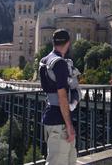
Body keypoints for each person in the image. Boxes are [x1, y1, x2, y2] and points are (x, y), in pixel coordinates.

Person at [39, 29, 77, 165]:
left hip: (49, 117)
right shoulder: (60, 63)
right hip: (60, 122)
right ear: (68, 43)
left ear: (53, 42)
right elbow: (62, 97)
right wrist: (69, 126)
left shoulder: (44, 61)